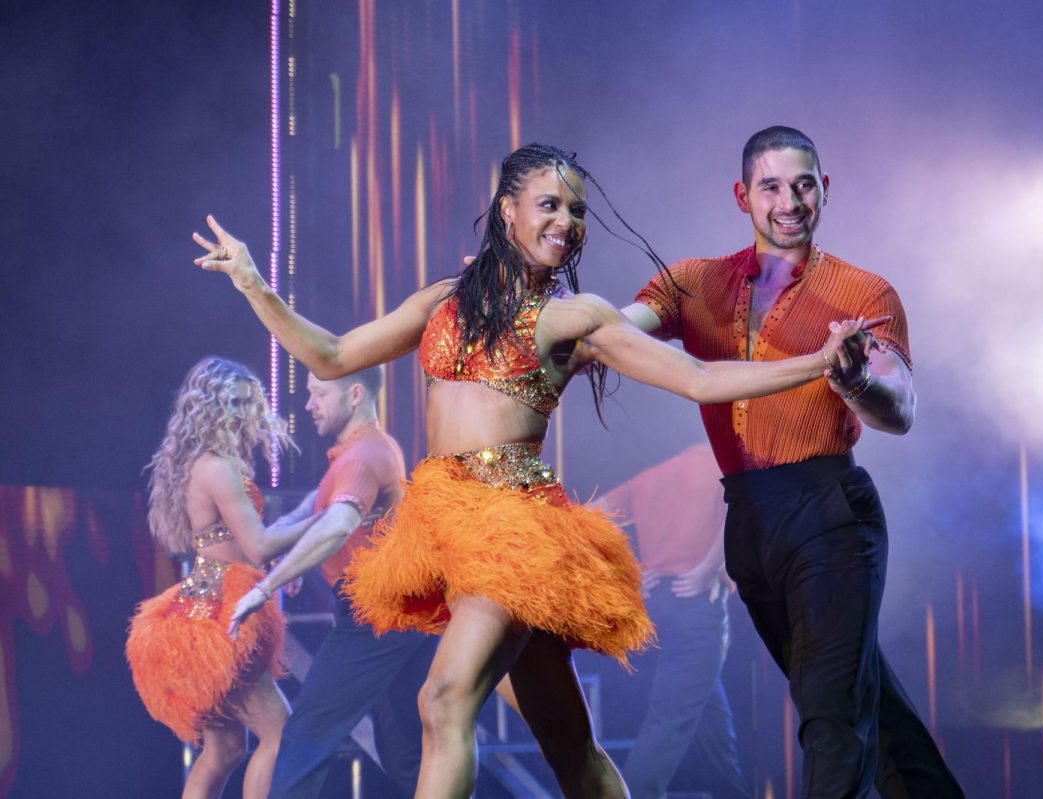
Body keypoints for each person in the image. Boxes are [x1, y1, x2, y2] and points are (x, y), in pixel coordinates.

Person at [193, 142, 879, 799]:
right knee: (572, 749)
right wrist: (254, 284)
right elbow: (334, 354)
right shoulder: (442, 301)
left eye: (576, 211)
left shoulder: (571, 318)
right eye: (550, 205)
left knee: (442, 699)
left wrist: (820, 364)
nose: (567, 223)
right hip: (441, 527)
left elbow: (699, 377)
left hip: (514, 533)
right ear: (507, 211)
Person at [625, 126, 964, 798]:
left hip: (829, 512)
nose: (790, 200)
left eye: (804, 184)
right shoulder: (693, 281)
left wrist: (857, 381)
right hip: (749, 520)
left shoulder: (864, 292)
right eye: (772, 186)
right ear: (742, 195)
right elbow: (614, 329)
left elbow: (900, 407)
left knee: (830, 717)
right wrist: (531, 312)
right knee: (864, 707)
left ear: (825, 189)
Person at [226, 366, 438, 798]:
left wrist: (266, 587)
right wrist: (285, 546)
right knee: (404, 756)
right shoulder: (358, 451)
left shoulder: (363, 457)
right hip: (400, 613)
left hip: (381, 612)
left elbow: (338, 523)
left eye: (318, 395)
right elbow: (316, 507)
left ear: (355, 394)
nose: (308, 406)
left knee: (306, 734)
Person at [126, 357, 320, 799]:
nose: (241, 413)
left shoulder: (206, 463)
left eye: (247, 403)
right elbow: (259, 543)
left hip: (202, 604)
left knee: (226, 749)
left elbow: (236, 542)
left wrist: (275, 568)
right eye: (232, 402)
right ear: (207, 408)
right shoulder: (218, 466)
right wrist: (325, 516)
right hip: (220, 615)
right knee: (278, 733)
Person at [597, 443, 752, 799]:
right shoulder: (719, 464)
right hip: (694, 602)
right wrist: (711, 567)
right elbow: (740, 513)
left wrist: (629, 571)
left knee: (710, 720)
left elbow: (590, 516)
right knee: (667, 724)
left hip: (659, 607)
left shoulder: (649, 479)